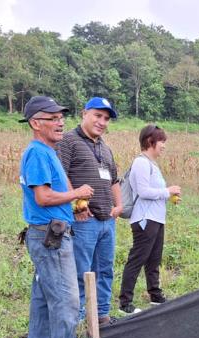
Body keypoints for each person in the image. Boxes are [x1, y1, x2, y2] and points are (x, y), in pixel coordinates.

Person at [18, 95, 93, 338]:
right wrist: (78, 193)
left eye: (61, 118)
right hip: (50, 237)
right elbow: (43, 197)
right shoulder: (38, 152)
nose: (60, 123)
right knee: (66, 297)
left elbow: (48, 199)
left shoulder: (46, 152)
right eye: (53, 118)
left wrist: (71, 209)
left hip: (48, 230)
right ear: (36, 123)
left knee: (43, 294)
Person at [56, 97, 121, 325]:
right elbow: (61, 175)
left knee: (105, 270)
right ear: (84, 113)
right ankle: (81, 320)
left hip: (107, 220)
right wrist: (75, 204)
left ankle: (102, 315)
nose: (102, 122)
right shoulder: (68, 141)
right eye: (97, 115)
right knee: (81, 273)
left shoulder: (104, 147)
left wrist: (119, 206)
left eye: (106, 118)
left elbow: (114, 179)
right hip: (84, 220)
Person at [119, 125, 181, 313]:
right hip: (145, 219)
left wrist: (168, 195)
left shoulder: (152, 164)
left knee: (154, 259)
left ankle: (155, 295)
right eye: (161, 141)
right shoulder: (141, 163)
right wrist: (167, 191)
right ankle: (125, 302)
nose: (163, 145)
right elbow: (143, 191)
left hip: (156, 218)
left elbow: (154, 192)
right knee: (137, 259)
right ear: (150, 142)